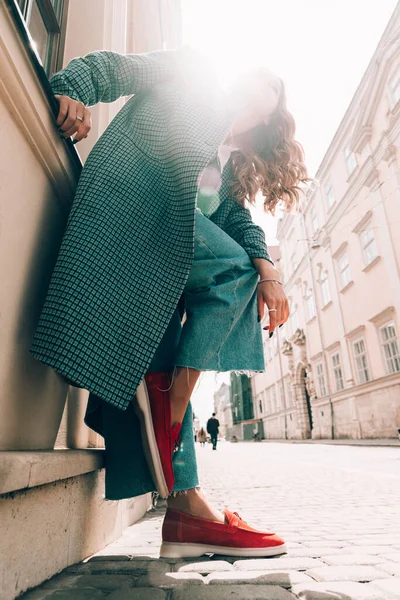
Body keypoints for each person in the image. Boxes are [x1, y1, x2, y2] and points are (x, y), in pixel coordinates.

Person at [31, 47, 307, 558]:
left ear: (265, 123)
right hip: (127, 212)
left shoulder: (224, 170)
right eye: (251, 83)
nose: (252, 96)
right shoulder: (193, 73)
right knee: (231, 270)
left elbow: (239, 223)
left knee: (157, 360)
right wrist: (69, 89)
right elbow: (116, 68)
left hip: (159, 265)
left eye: (264, 102)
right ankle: (174, 401)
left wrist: (273, 272)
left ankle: (186, 512)